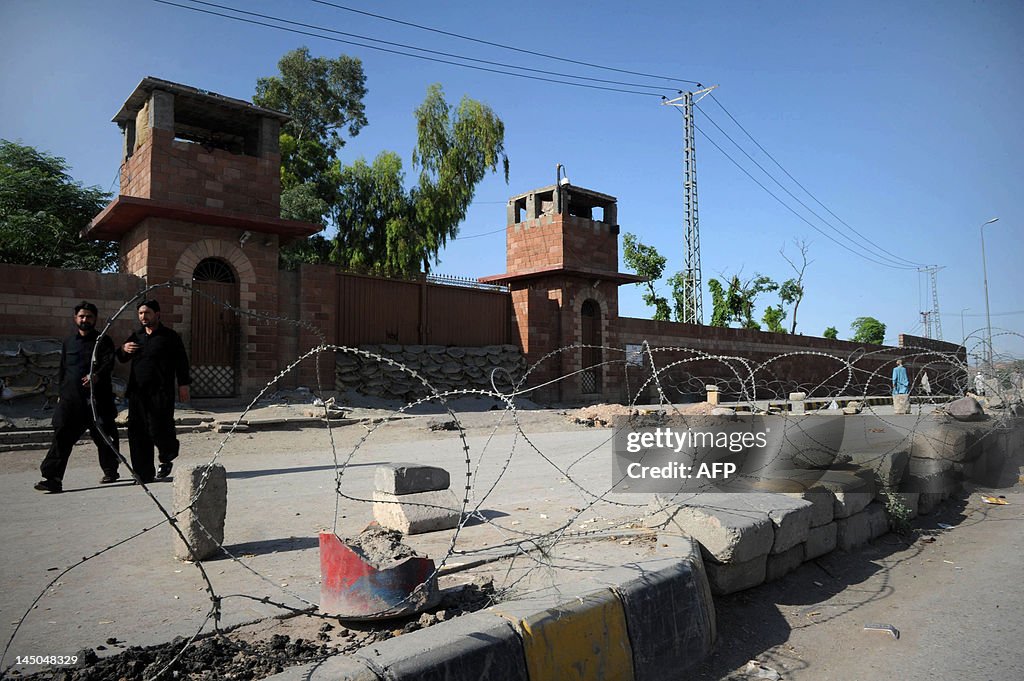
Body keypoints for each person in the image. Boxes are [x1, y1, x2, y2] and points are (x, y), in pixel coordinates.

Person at [34, 302, 121, 493]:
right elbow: (63, 369)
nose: (85, 320)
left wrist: (95, 375)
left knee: (105, 436)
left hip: (98, 400)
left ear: (95, 319)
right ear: (75, 319)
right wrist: (60, 394)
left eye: (89, 317)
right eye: (81, 316)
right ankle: (53, 478)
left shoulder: (102, 340)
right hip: (71, 400)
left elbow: (108, 363)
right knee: (62, 436)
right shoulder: (68, 342)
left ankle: (110, 470)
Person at [117, 299, 190, 484]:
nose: (143, 317)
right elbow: (121, 358)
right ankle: (143, 473)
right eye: (140, 313)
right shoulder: (136, 336)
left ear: (157, 314)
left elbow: (182, 362)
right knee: (138, 432)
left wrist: (183, 385)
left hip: (161, 392)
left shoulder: (170, 337)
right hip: (137, 393)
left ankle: (168, 454)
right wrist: (123, 349)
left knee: (159, 429)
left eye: (147, 313)